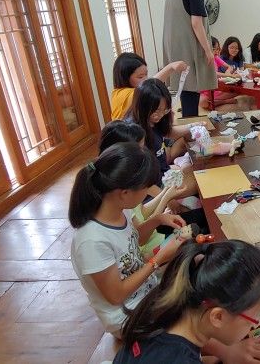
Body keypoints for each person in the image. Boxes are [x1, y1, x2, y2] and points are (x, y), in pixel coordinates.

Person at [69, 142, 186, 337]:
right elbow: (116, 295)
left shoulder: (120, 209)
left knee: (195, 277)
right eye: (146, 187)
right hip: (127, 316)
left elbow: (133, 241)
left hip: (147, 290)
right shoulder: (92, 241)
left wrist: (157, 220)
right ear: (124, 193)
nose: (147, 192)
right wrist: (157, 260)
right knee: (192, 320)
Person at [114, 241, 260, 363]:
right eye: (254, 319)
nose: (254, 326)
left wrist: (226, 351)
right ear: (218, 317)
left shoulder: (170, 303)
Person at [98, 121, 188, 256]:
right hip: (148, 250)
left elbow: (141, 212)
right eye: (139, 148)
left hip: (152, 240)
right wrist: (165, 200)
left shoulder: (125, 182)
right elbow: (140, 238)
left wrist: (165, 193)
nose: (144, 152)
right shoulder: (121, 191)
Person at [163, 0, 217, 118]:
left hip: (174, 46)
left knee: (185, 88)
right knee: (191, 87)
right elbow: (196, 23)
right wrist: (208, 51)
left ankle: (189, 123)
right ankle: (190, 130)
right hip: (188, 47)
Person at [110, 53, 187, 120]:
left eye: (146, 74)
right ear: (125, 78)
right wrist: (170, 67)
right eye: (140, 77)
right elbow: (149, 86)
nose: (145, 79)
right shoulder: (122, 95)